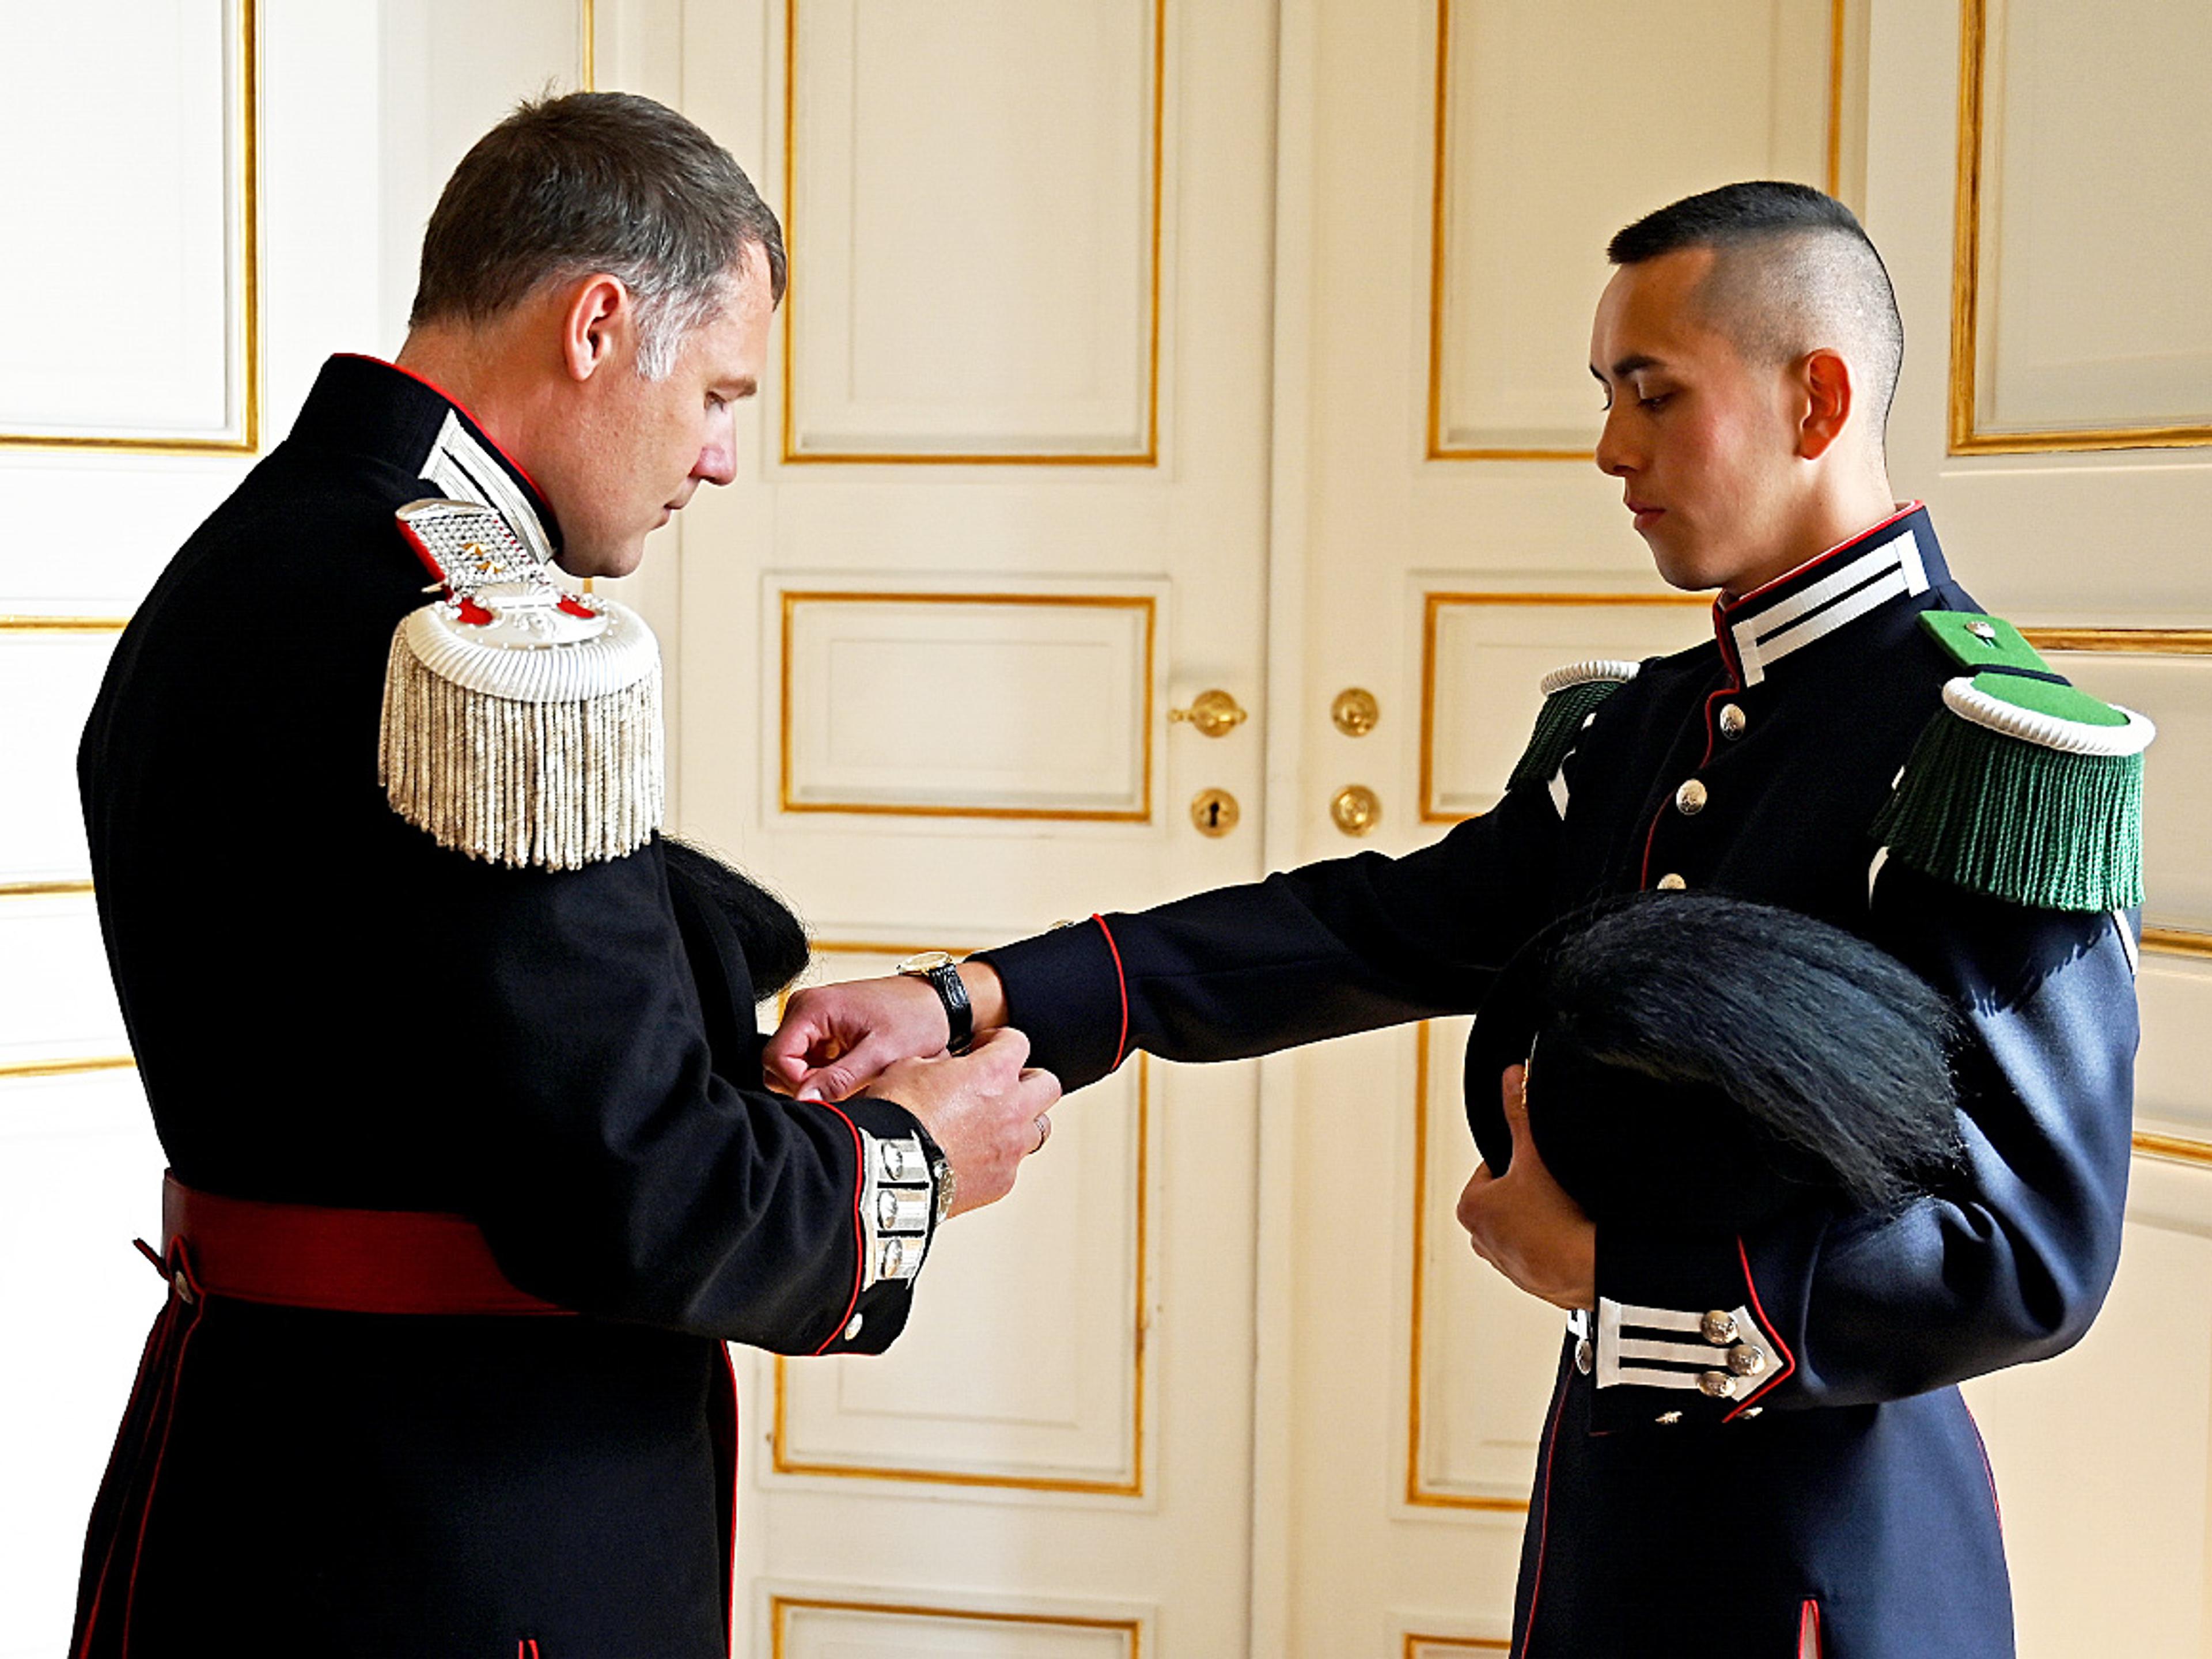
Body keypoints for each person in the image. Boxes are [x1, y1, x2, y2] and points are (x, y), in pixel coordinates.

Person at [767, 181, 2148, 1657]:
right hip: (1614, 1512)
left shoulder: (1980, 752)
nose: (1612, 448)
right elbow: (1370, 930)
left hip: (1827, 1557)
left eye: (1654, 394)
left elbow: (2032, 1262)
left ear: (1818, 398)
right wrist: (965, 997)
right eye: (1605, 394)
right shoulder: (1656, 723)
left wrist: (1627, 1289)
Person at [70, 92, 1058, 1658]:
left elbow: (432, 1050)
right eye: (717, 392)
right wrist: (911, 1154)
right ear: (598, 325)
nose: (719, 458)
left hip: (251, 1454)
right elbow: (638, 1194)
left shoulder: (250, 553)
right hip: (461, 1520)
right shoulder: (477, 638)